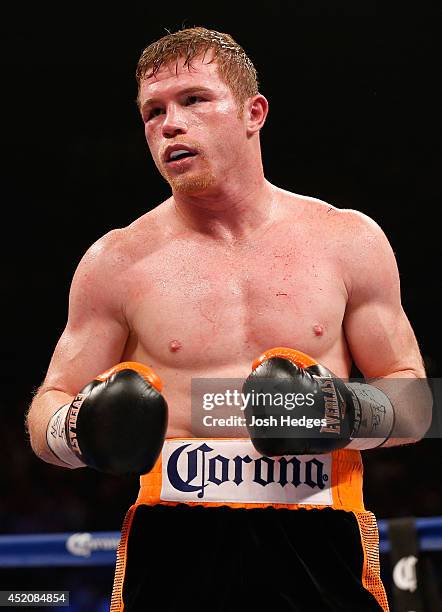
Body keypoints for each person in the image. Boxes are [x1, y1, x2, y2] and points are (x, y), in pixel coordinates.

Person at [26, 27, 432, 612]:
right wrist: (75, 428)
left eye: (193, 99)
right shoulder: (115, 262)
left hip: (319, 537)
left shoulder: (348, 240)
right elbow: (47, 408)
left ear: (253, 112)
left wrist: (342, 411)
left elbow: (416, 405)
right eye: (152, 111)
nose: (169, 124)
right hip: (173, 546)